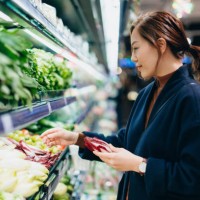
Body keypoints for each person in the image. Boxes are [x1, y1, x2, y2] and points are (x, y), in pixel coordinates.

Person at [41, 11, 200, 200]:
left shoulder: (192, 99)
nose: (133, 58)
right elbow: (123, 143)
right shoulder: (147, 93)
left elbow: (193, 178)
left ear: (161, 45)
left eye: (136, 48)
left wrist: (140, 165)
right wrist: (77, 139)